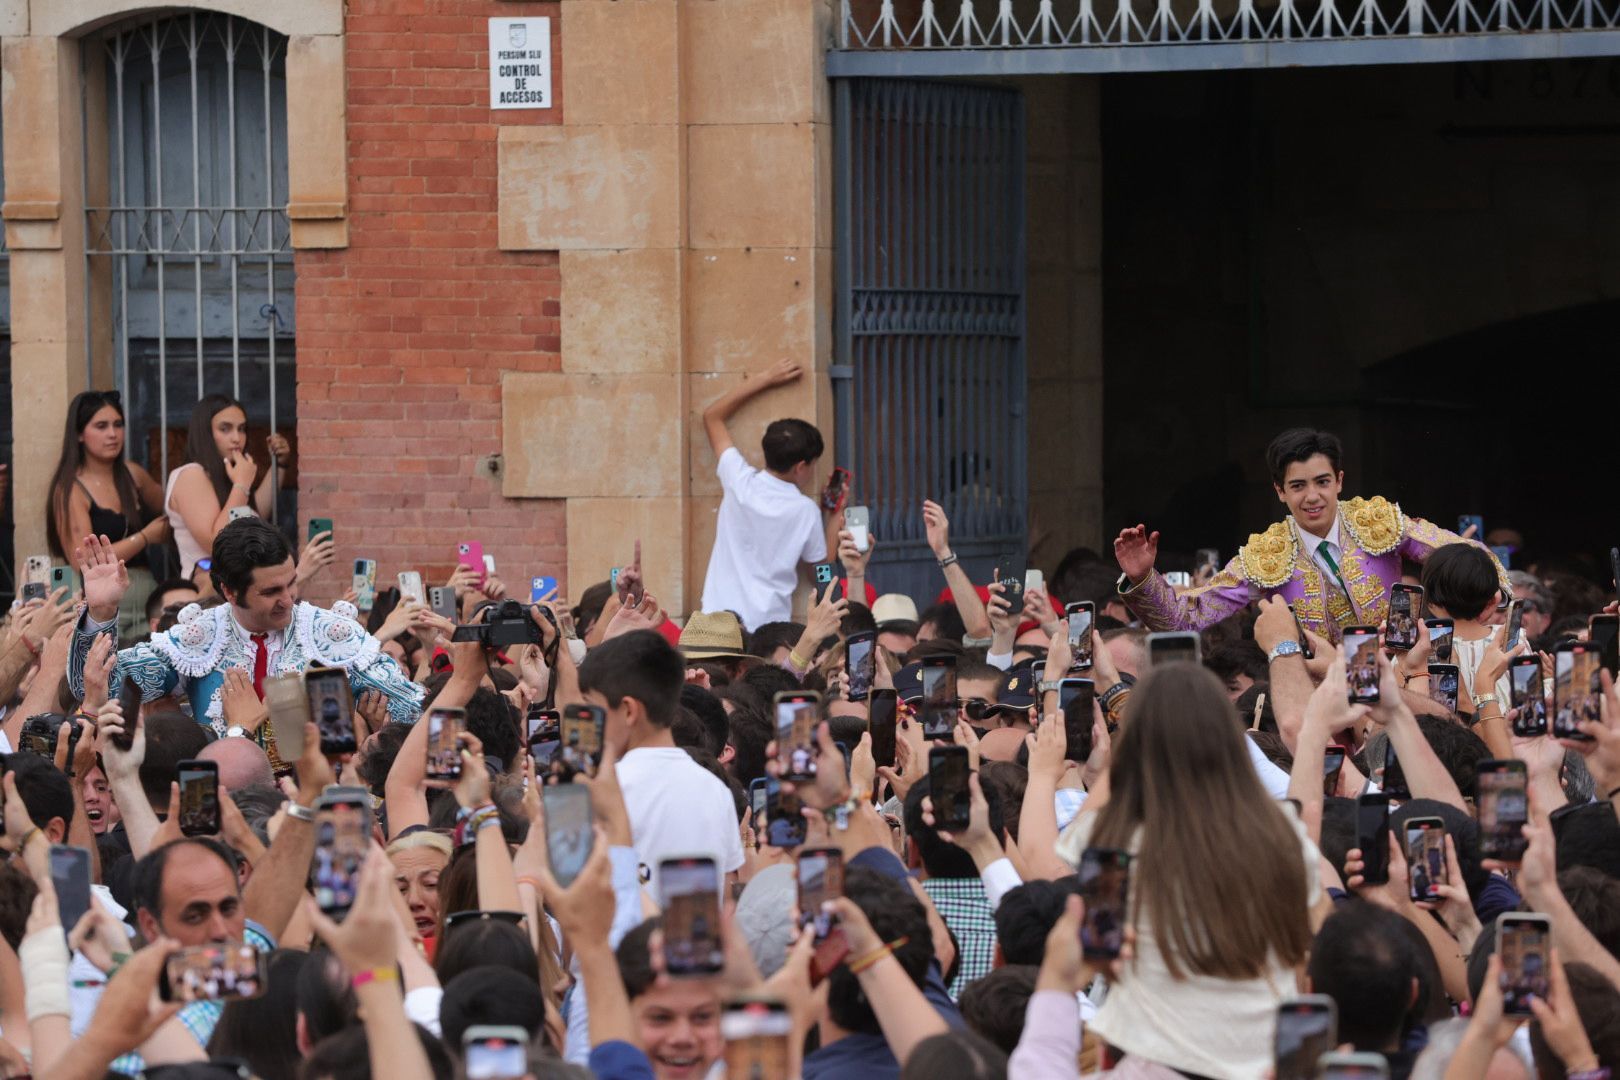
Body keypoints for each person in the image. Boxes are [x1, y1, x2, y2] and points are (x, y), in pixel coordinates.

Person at [1054, 661, 1319, 1079]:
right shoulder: (1284, 831)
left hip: (1151, 1056)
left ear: (1137, 746)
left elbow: (1098, 950)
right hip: (1260, 1057)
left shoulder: (1105, 836)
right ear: (1229, 740)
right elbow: (1303, 952)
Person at [1112, 428, 1510, 642]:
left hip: (1401, 677)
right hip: (1317, 696)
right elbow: (1186, 619)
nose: (1312, 496)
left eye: (1321, 482)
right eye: (1298, 486)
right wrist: (1142, 579)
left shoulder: (1378, 522)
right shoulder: (1266, 555)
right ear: (1280, 492)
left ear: (1339, 481)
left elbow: (1464, 553)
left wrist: (1497, 599)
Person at [67, 517, 423, 736]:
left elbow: (414, 709)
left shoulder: (330, 632)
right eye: (271, 591)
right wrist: (101, 610)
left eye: (291, 583)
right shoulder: (200, 636)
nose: (288, 599)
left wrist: (378, 725)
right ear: (230, 592)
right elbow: (101, 687)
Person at [698, 358, 835, 631]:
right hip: (768, 626)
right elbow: (821, 572)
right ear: (801, 467)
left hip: (716, 619)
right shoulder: (805, 510)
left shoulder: (738, 480)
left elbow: (711, 416)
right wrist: (835, 515)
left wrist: (766, 377)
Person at [45, 390, 171, 637]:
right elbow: (84, 561)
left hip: (148, 600)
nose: (112, 434)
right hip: (106, 605)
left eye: (118, 424)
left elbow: (174, 505)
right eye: (101, 426)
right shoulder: (71, 489)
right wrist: (144, 537)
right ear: (80, 434)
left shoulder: (132, 475)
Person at [165, 393, 292, 578]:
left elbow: (252, 517)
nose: (237, 438)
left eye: (241, 429)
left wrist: (279, 465)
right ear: (205, 433)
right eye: (225, 429)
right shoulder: (191, 474)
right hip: (206, 598)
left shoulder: (229, 475)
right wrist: (241, 484)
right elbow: (215, 543)